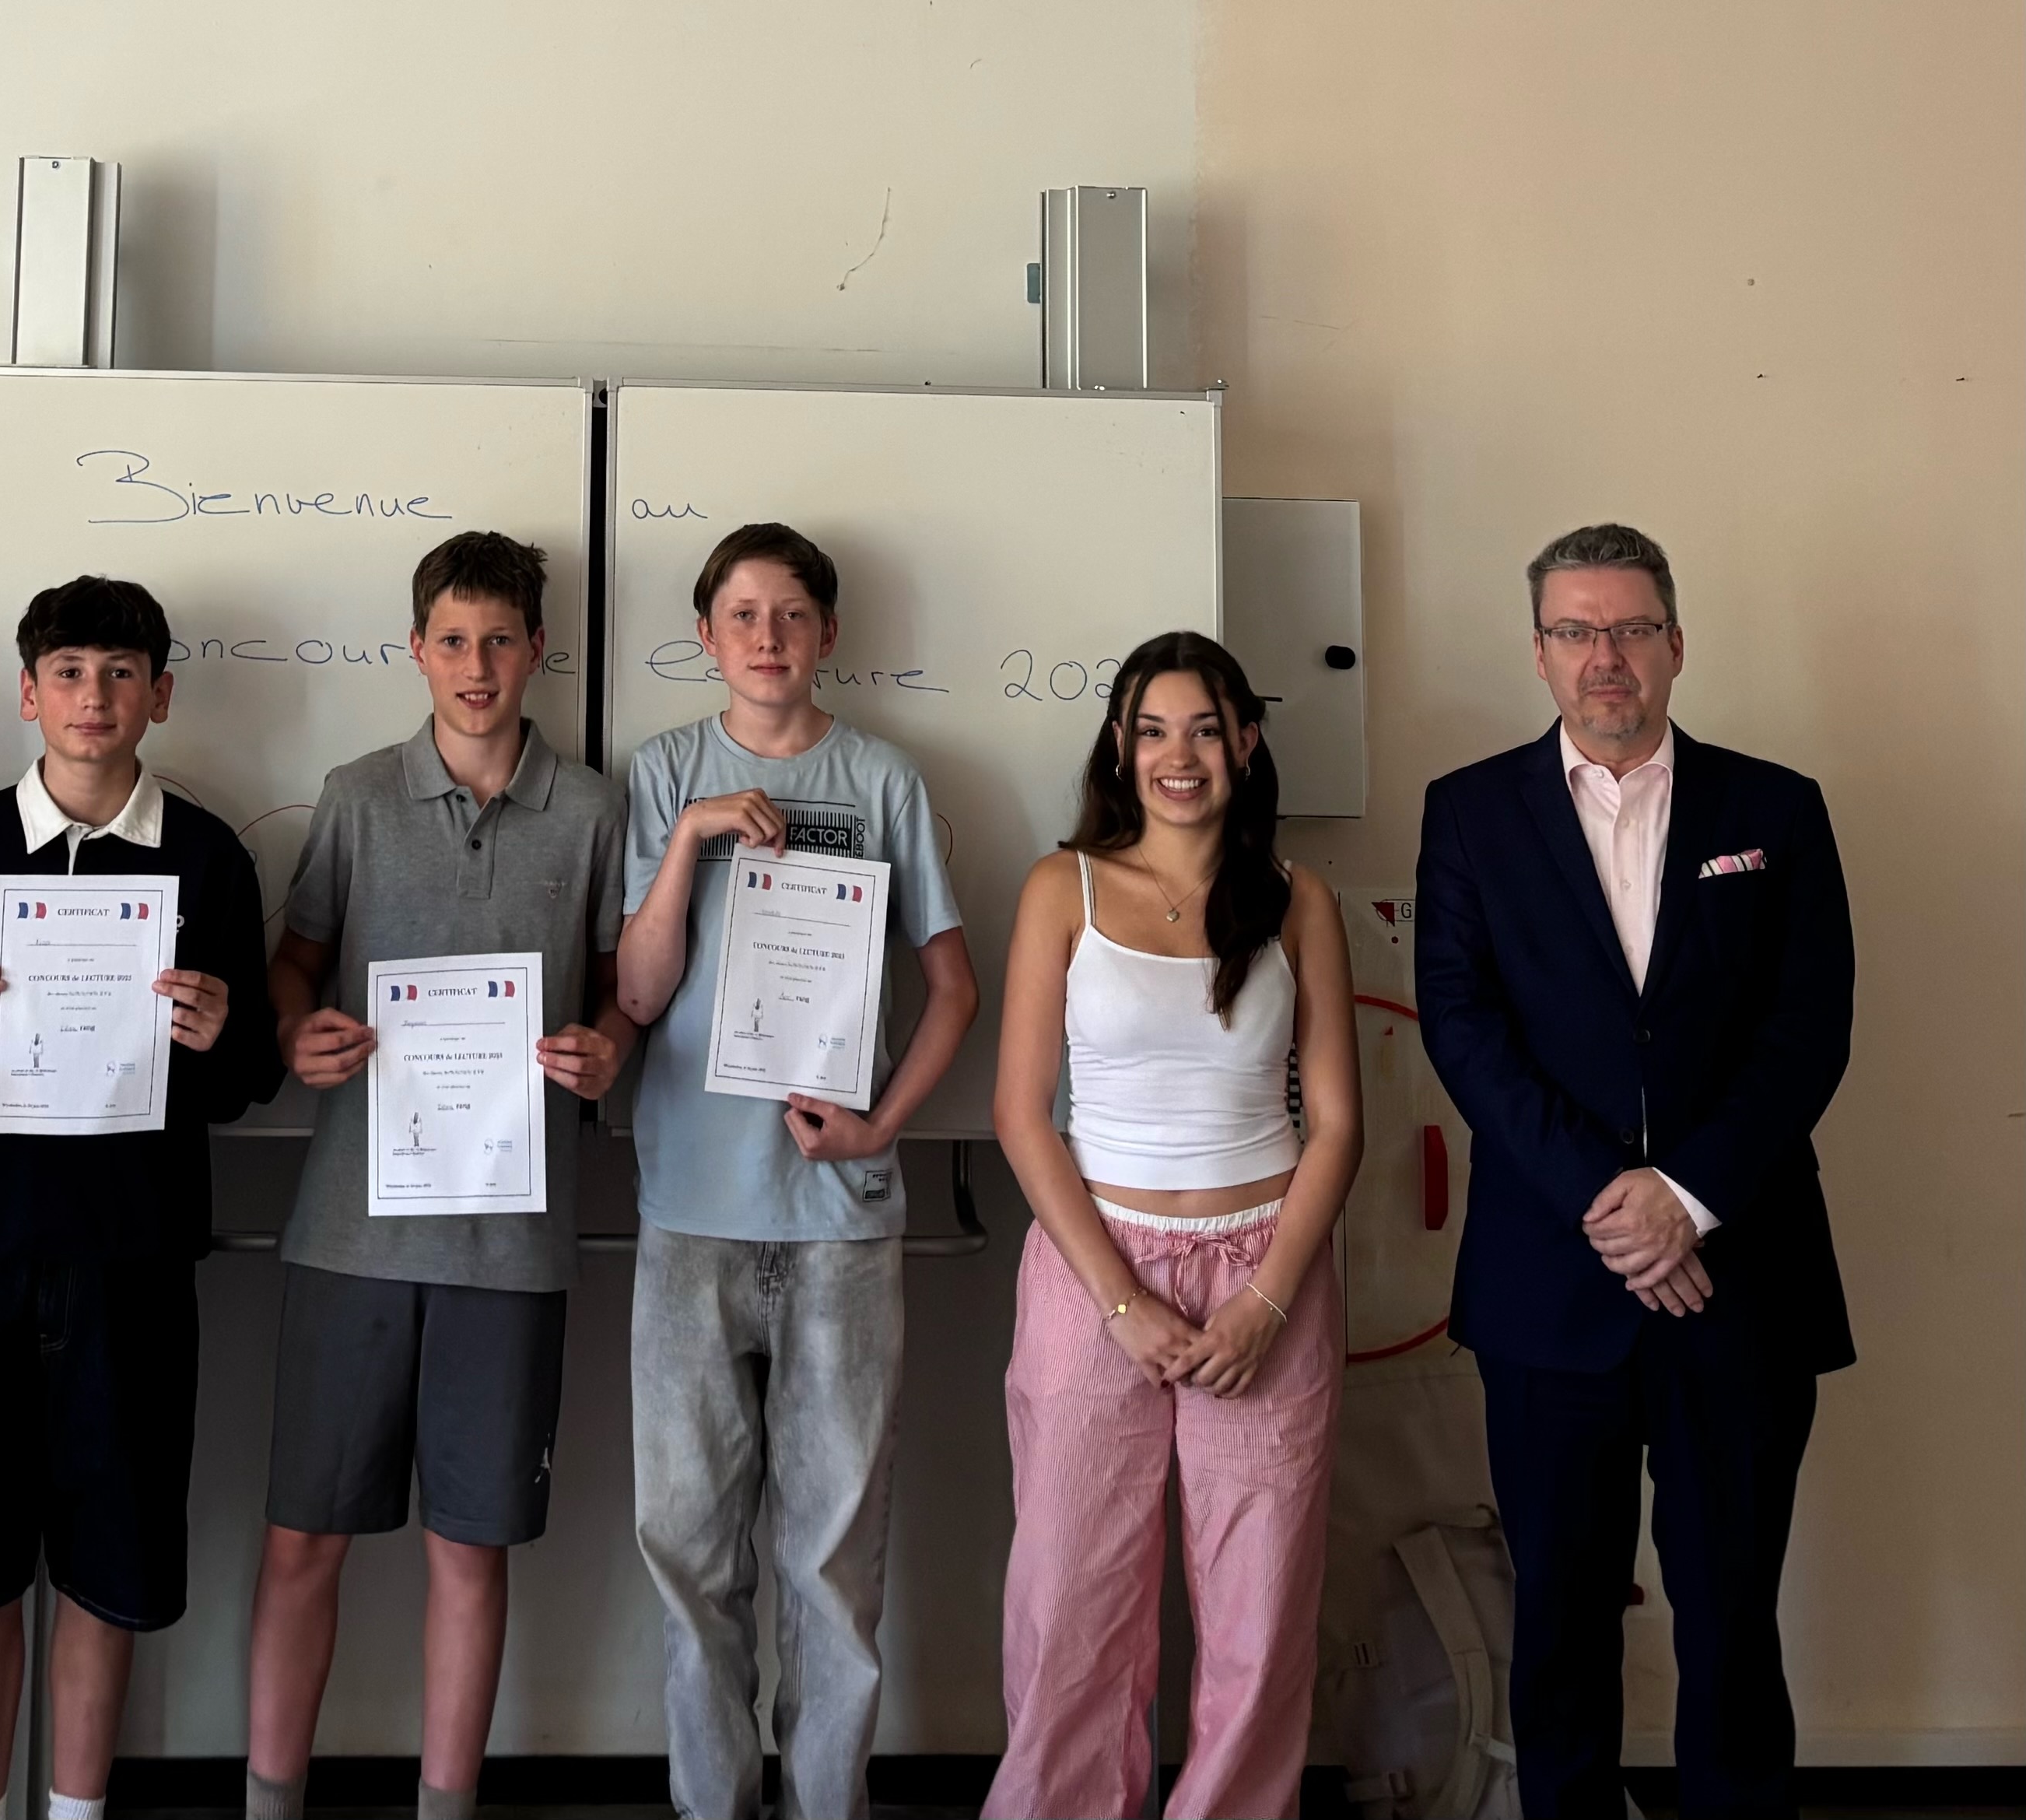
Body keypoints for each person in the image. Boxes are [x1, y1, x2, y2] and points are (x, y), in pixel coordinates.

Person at [1416, 525, 1852, 1818]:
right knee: (1557, 1617)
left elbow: (1806, 1027)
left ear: (1673, 644)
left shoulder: (1774, 809)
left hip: (1738, 1279)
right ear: (1537, 652)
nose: (1603, 655)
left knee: (1730, 1616)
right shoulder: (1469, 811)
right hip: (1549, 1287)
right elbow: (1462, 1026)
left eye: (1629, 629)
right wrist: (1611, 1207)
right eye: (1575, 630)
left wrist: (1686, 1200)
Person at [0, 577, 282, 1820]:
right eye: (66, 672)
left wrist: (219, 1033)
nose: (92, 696)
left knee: (108, 1568)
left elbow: (245, 1082)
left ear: (160, 695)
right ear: (27, 692)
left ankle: (78, 1811)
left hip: (132, 1261)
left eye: (119, 673)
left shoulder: (207, 856)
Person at [243, 533, 636, 1820]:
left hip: (509, 1246)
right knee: (303, 1540)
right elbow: (296, 961)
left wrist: (606, 1051)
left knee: (471, 1551)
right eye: (453, 641)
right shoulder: (357, 795)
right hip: (349, 1235)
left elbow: (621, 992)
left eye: (500, 641)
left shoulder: (591, 811)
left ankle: (446, 1804)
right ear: (415, 650)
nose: (477, 667)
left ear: (537, 651)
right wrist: (294, 1031)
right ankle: (269, 1799)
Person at [612, 524, 978, 1820]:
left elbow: (953, 988)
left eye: (791, 614)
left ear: (827, 634)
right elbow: (636, 993)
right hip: (689, 1217)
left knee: (833, 1566)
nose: (766, 637)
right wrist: (690, 841)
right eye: (741, 615)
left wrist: (880, 1129)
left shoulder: (881, 779)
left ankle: (828, 1805)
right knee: (687, 1558)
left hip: (838, 1224)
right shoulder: (663, 772)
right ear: (705, 636)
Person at [982, 633, 1362, 1819]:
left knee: (1259, 1610)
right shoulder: (1060, 889)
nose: (1177, 755)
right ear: (1119, 746)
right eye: (1151, 730)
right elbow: (1020, 1118)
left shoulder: (1300, 901)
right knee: (1070, 1600)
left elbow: (1337, 1126)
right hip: (1093, 1272)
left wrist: (1263, 1303)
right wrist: (1120, 1304)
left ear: (1245, 742)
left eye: (1203, 728)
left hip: (1267, 1271)